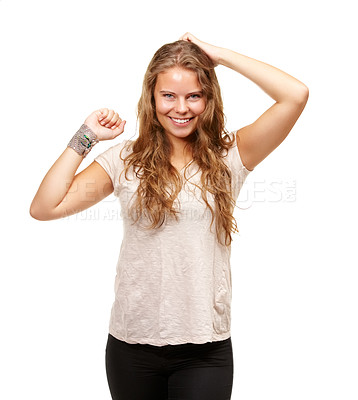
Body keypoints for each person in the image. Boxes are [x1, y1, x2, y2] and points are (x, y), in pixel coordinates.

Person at [30, 32, 308, 400]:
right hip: (132, 345)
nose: (181, 108)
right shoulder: (124, 160)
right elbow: (45, 207)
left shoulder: (232, 155)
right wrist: (87, 136)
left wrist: (219, 56)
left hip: (204, 350)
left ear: (208, 99)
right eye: (169, 95)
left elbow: (295, 95)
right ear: (152, 98)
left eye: (194, 95)